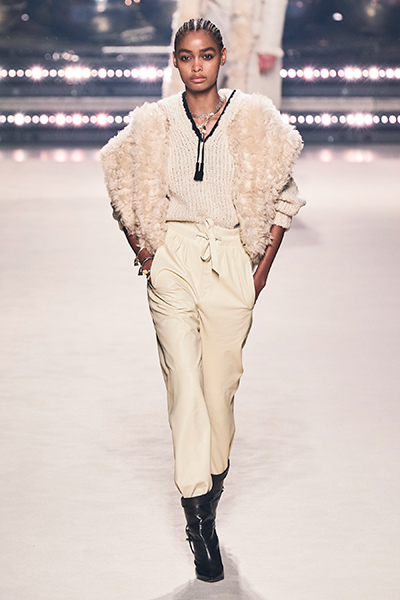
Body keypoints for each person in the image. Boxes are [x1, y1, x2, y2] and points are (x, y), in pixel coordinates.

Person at [100, 17, 304, 583]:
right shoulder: (154, 122)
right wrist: (145, 251)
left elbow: (285, 196)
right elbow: (119, 180)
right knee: (185, 387)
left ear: (221, 58)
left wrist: (260, 271)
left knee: (219, 392)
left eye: (206, 55)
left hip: (232, 260)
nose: (197, 66)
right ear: (174, 61)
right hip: (173, 258)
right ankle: (198, 519)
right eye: (187, 56)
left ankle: (210, 490)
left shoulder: (255, 118)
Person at [163, 0, 289, 107]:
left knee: (248, 113)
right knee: (191, 106)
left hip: (250, 27)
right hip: (207, 14)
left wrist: (268, 44)